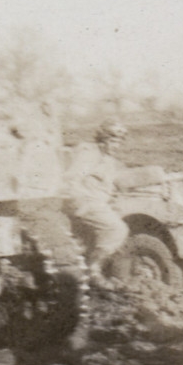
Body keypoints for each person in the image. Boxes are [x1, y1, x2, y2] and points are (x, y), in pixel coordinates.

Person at [62, 122, 133, 284]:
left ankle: (116, 277)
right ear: (103, 140)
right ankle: (92, 270)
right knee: (117, 229)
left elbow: (111, 182)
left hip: (96, 202)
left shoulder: (107, 158)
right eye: (113, 141)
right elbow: (71, 179)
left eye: (120, 142)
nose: (117, 146)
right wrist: (80, 202)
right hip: (83, 201)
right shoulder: (89, 153)